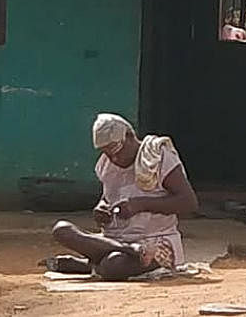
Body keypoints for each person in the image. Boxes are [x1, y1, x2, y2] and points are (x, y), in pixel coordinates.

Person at [48, 113, 199, 281]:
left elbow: (189, 203)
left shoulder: (158, 157)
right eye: (106, 153)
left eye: (115, 150)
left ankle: (91, 264)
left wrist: (140, 205)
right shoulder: (106, 164)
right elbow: (108, 197)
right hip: (112, 240)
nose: (113, 158)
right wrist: (101, 208)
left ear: (129, 135)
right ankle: (129, 249)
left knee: (113, 265)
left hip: (156, 242)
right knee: (61, 230)